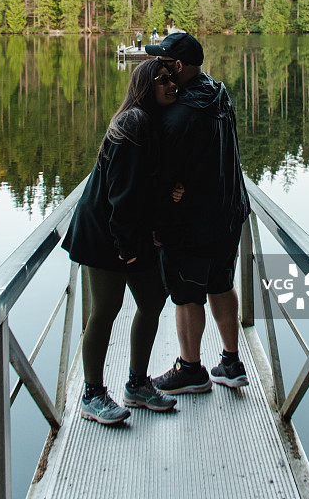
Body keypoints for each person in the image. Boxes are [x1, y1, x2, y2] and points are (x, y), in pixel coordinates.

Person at [61, 59, 180, 424]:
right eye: (162, 80)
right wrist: (128, 248)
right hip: (104, 234)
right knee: (106, 309)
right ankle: (92, 394)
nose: (171, 85)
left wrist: (166, 197)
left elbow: (144, 184)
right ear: (145, 86)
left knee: (153, 299)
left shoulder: (152, 122)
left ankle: (137, 384)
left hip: (129, 233)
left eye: (172, 79)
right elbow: (123, 195)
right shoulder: (134, 123)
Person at [144, 32, 251, 394]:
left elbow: (164, 174)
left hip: (193, 220)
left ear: (177, 66)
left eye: (162, 61)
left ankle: (190, 369)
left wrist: (157, 223)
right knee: (221, 283)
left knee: (187, 294)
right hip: (230, 211)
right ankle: (232, 362)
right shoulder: (220, 94)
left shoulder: (179, 115)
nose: (158, 65)